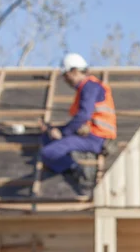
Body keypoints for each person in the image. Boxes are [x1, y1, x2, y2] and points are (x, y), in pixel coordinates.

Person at [39, 53, 117, 190]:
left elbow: (84, 115)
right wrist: (55, 130)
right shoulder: (86, 88)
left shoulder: (90, 87)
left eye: (66, 75)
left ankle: (76, 170)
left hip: (96, 137)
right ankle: (68, 163)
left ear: (74, 71)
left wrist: (64, 134)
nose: (65, 79)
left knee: (48, 152)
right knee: (47, 137)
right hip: (89, 134)